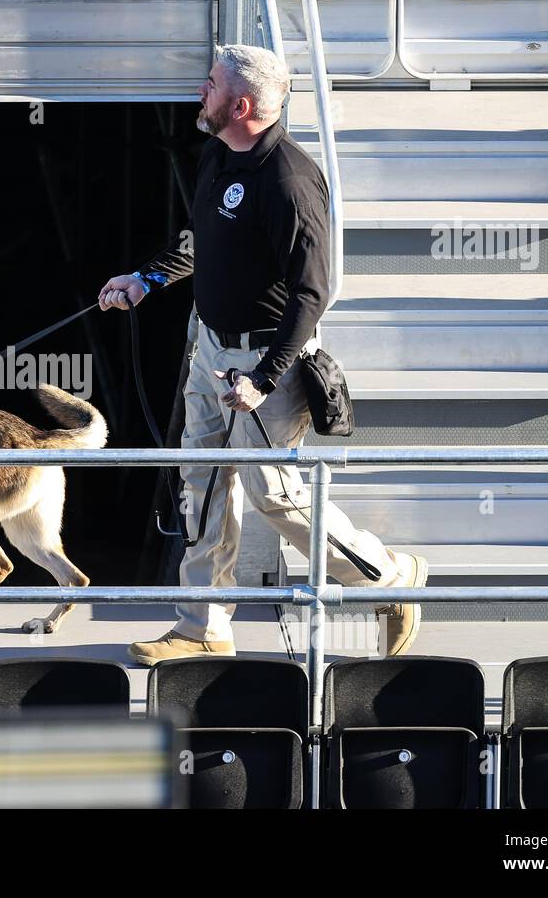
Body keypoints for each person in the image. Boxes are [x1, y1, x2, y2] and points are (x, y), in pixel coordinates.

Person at [98, 44, 427, 665]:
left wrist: (262, 378)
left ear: (241, 104)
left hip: (268, 359)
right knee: (199, 480)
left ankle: (385, 574)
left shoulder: (290, 182)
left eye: (213, 84)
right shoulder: (219, 152)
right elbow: (203, 239)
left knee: (272, 493)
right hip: (210, 347)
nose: (202, 90)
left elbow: (313, 293)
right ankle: (202, 624)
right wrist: (146, 279)